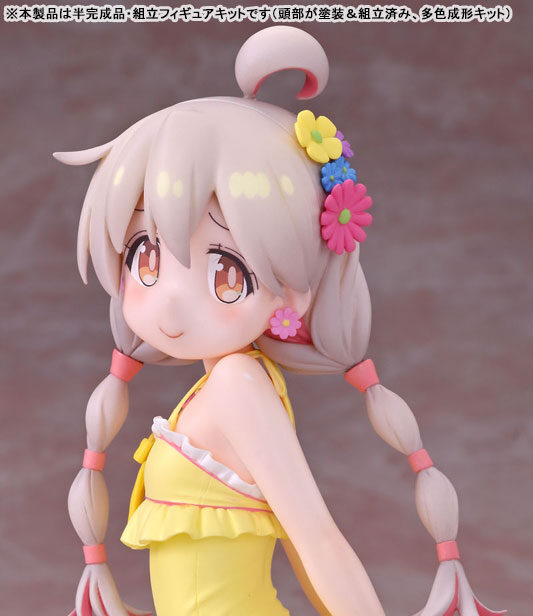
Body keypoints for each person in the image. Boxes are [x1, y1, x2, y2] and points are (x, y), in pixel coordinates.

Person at [55, 26, 506, 616]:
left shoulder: (237, 384)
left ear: (290, 291)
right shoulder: (223, 384)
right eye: (146, 256)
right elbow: (301, 544)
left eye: (226, 272)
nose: (170, 302)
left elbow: (318, 540)